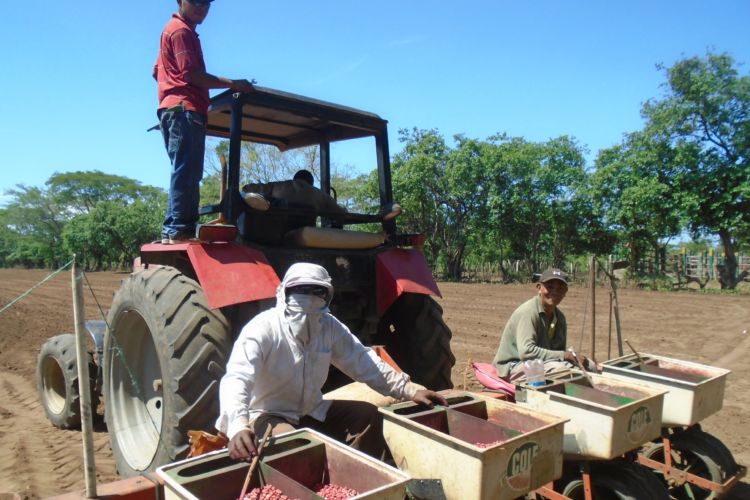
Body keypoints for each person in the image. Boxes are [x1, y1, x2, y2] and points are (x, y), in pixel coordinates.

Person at [216, 262, 447, 460]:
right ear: (283, 293)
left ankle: (366, 483)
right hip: (267, 414)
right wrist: (238, 425)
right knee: (296, 446)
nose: (308, 299)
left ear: (327, 295)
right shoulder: (262, 328)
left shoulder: (329, 327)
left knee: (367, 416)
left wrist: (407, 389)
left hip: (312, 408)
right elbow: (238, 378)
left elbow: (362, 360)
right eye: (301, 290)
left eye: (316, 292)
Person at [154, 0, 255, 244]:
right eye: (196, 1)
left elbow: (157, 70)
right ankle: (179, 228)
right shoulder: (181, 31)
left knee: (184, 170)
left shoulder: (176, 30)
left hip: (174, 108)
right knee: (188, 171)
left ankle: (175, 228)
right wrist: (233, 83)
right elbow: (192, 75)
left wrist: (170, 88)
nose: (202, 7)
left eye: (207, 3)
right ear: (181, 1)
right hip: (184, 109)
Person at [492, 268, 595, 381]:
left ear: (565, 291)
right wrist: (565, 355)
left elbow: (558, 352)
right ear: (539, 288)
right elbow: (527, 352)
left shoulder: (559, 317)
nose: (555, 291)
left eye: (560, 288)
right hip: (512, 366)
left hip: (540, 363)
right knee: (560, 370)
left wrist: (572, 356)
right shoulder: (529, 312)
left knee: (590, 365)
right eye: (550, 287)